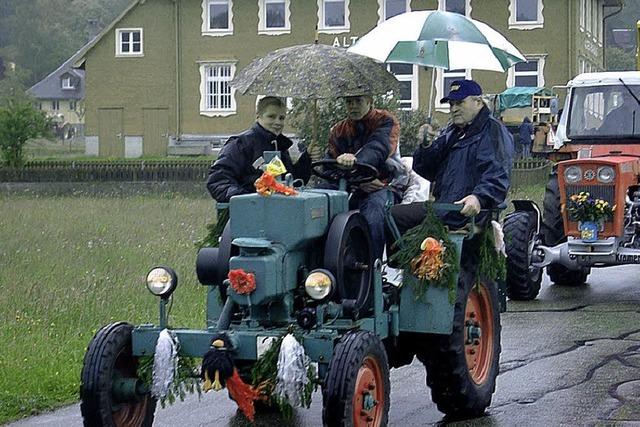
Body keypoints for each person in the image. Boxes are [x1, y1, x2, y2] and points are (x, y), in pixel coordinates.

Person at [390, 79, 513, 274]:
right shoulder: (452, 132)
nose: (454, 108)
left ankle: (422, 271)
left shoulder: (492, 131)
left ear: (478, 102)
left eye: (460, 103)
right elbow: (426, 170)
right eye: (451, 104)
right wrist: (426, 146)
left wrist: (479, 197)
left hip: (468, 213)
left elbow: (497, 173)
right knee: (392, 215)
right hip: (443, 208)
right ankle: (405, 268)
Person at [325, 94, 408, 261]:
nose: (353, 106)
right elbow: (329, 166)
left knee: (372, 214)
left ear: (370, 101)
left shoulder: (386, 122)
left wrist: (356, 162)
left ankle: (371, 270)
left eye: (358, 101)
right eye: (349, 101)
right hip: (350, 186)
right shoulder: (338, 131)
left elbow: (378, 148)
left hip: (383, 185)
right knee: (319, 202)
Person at [206, 96, 311, 203]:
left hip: (280, 210)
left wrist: (307, 158)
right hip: (251, 213)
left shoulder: (280, 146)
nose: (278, 122)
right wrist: (248, 198)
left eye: (281, 118)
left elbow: (291, 182)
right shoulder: (241, 144)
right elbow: (218, 181)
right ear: (258, 116)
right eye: (271, 116)